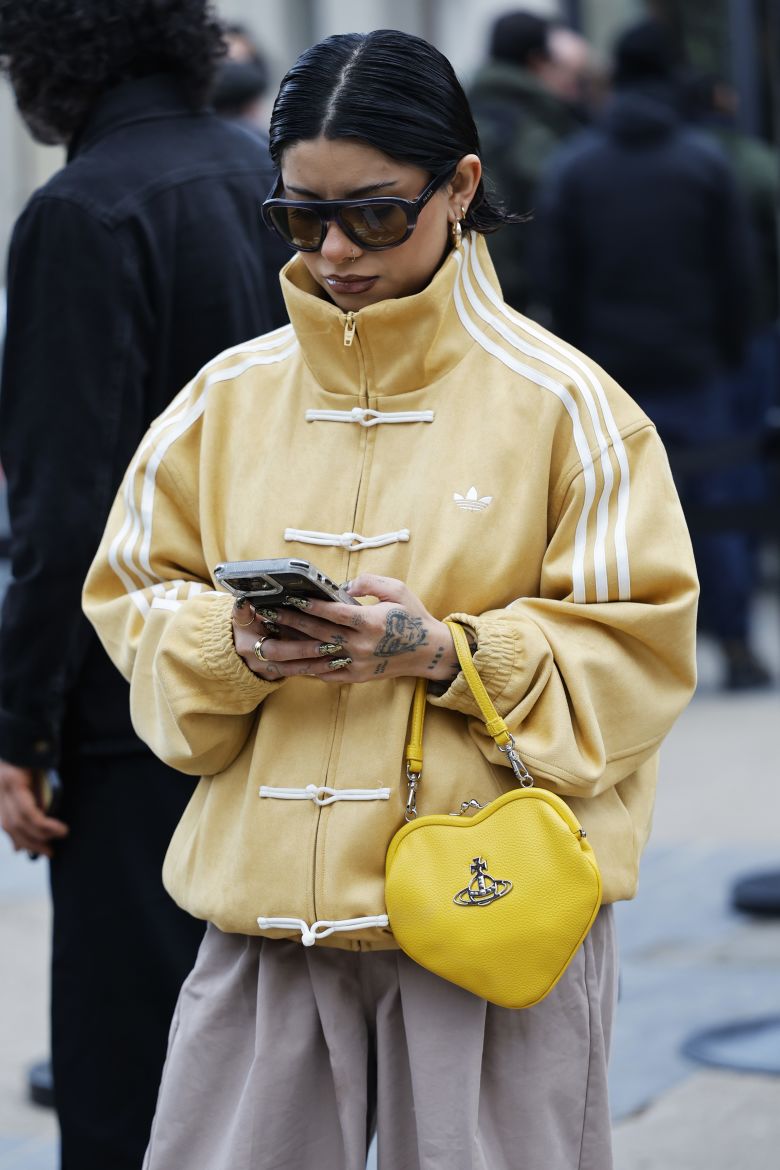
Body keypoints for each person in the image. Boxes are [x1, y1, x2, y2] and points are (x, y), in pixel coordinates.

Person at [83, 29, 698, 1170]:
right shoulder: (222, 401)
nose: (333, 250)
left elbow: (641, 652)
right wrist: (239, 646)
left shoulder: (571, 406)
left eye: (374, 212)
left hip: (489, 915)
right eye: (297, 216)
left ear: (460, 185)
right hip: (266, 914)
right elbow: (128, 595)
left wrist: (441, 652)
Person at [0, 2, 288, 1167]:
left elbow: (66, 507)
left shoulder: (81, 211)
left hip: (139, 702)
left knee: (131, 1069)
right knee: (267, 1059)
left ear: (52, 56)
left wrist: (19, 723)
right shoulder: (261, 177)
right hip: (287, 669)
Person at [535, 18, 770, 691]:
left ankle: (627, 662)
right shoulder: (705, 162)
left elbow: (555, 276)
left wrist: (580, 358)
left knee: (614, 514)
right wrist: (729, 352)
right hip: (699, 368)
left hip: (610, 371)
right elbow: (739, 273)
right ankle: (735, 645)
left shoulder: (575, 166)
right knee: (719, 505)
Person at [469, 10, 592, 315]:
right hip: (519, 300)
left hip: (465, 289)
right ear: (537, 61)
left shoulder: (460, 112)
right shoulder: (538, 129)